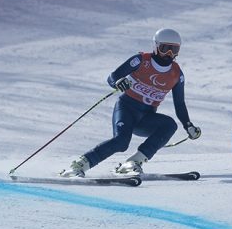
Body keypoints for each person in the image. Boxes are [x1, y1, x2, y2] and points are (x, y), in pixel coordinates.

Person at [61, 28, 201, 177]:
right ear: (155, 46)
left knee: (169, 125)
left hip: (146, 118)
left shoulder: (176, 74)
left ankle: (133, 163)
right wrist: (118, 82)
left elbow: (179, 104)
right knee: (121, 142)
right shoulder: (141, 60)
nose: (169, 54)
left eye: (174, 50)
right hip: (126, 109)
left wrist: (188, 126)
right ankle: (79, 165)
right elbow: (112, 77)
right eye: (165, 49)